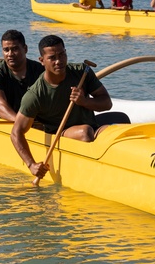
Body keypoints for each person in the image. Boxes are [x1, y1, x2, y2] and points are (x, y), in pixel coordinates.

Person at [10, 35, 127, 179]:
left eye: (62, 55)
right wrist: (31, 165)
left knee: (121, 123)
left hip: (92, 127)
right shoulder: (35, 94)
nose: (59, 61)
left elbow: (106, 103)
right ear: (42, 61)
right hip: (61, 134)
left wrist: (84, 102)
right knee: (85, 132)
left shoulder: (82, 72)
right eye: (52, 58)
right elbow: (16, 133)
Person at [0, 29, 45, 121]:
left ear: (25, 49)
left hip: (34, 122)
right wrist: (21, 125)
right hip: (4, 122)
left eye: (15, 49)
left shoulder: (40, 70)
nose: (10, 54)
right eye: (6, 50)